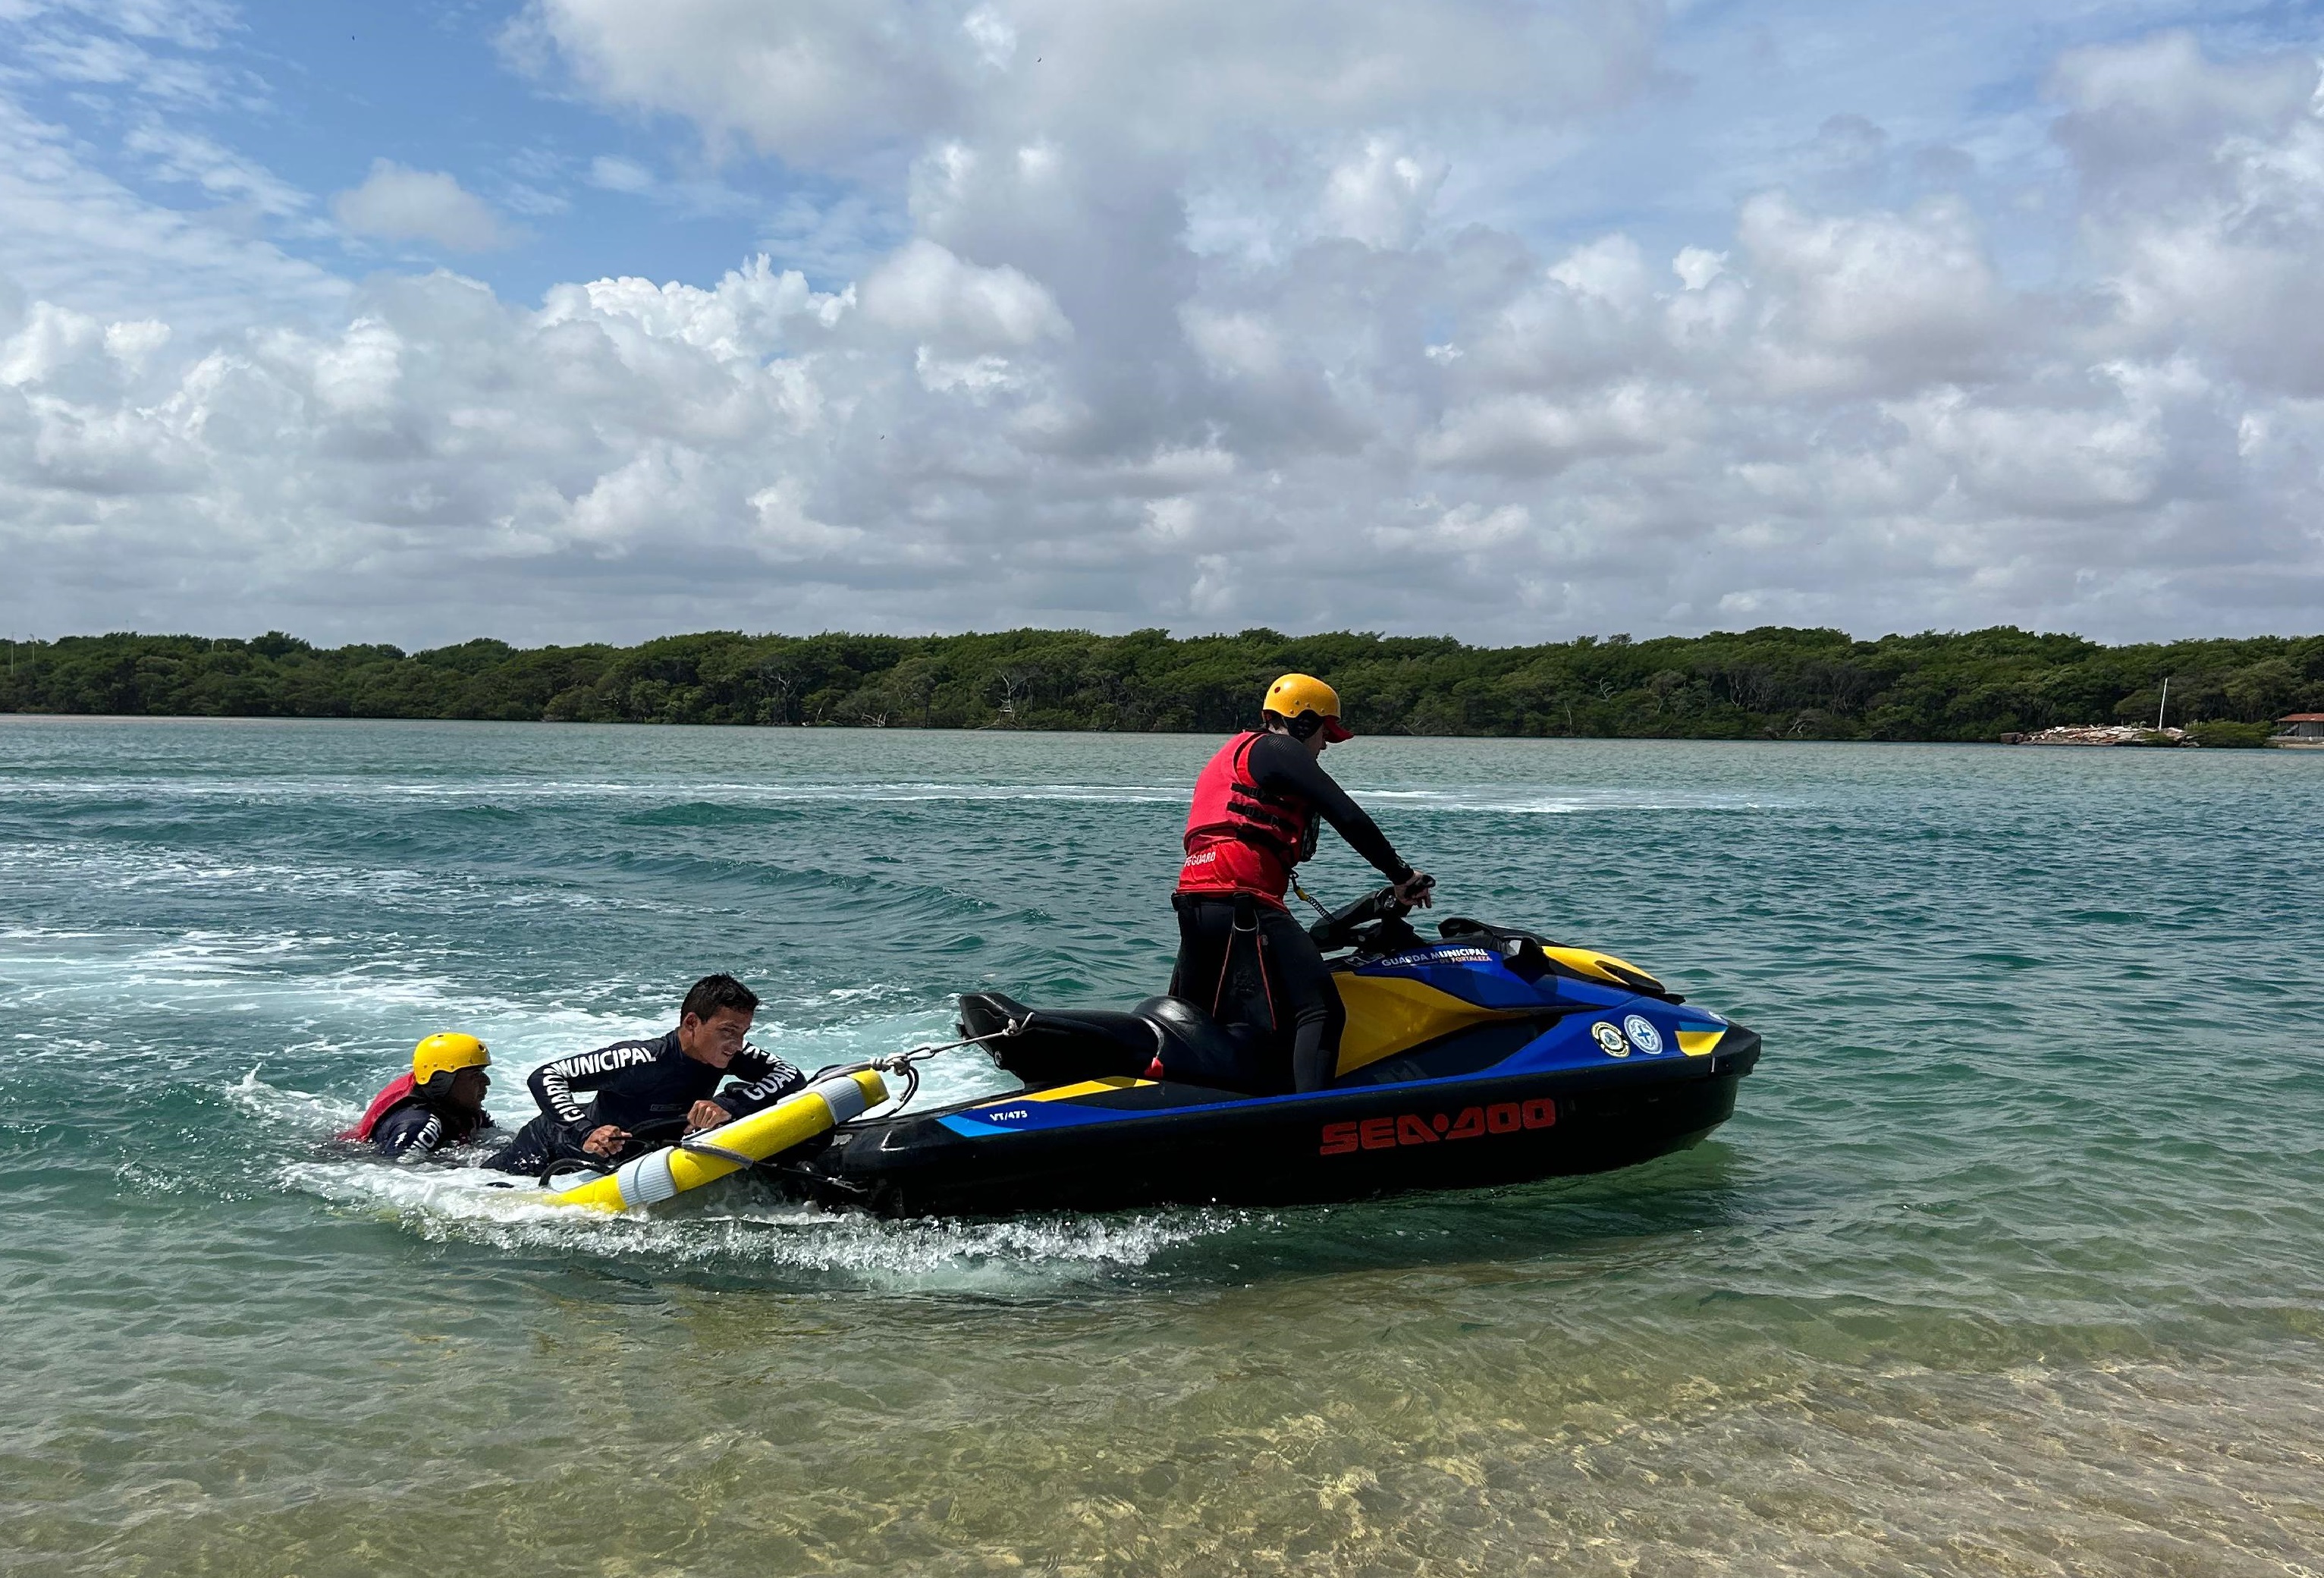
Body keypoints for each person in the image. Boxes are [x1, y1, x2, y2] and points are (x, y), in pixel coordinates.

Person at [1172, 673, 1432, 1093]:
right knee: (1320, 1011)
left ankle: (1196, 1103)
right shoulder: (1278, 747)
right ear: (1303, 722)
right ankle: (1312, 1124)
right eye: (1325, 732)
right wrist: (1402, 876)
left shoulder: (1231, 753)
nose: (1325, 745)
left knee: (1203, 1017)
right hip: (1244, 898)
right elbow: (1348, 816)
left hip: (1197, 900)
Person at [485, 973, 804, 1177]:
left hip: (628, 1158)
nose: (737, 1044)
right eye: (728, 1031)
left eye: (744, 1032)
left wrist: (730, 1105)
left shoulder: (727, 1054)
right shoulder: (641, 1059)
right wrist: (586, 1132)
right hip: (544, 1151)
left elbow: (790, 1075)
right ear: (692, 1023)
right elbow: (546, 1076)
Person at [341, 1033, 498, 1161]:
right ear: (443, 1080)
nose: (487, 1082)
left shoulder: (463, 1109)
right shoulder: (419, 1124)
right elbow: (395, 1173)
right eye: (476, 1074)